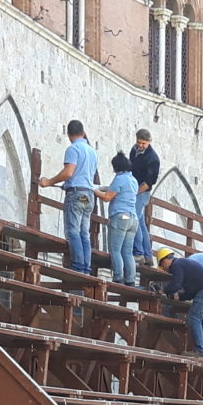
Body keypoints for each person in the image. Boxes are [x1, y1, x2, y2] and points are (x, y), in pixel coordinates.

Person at [39, 120, 97, 274]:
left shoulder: (73, 149)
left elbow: (68, 172)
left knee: (73, 231)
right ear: (83, 133)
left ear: (69, 135)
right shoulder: (92, 152)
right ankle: (86, 266)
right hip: (88, 195)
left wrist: (49, 181)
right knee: (84, 231)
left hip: (76, 193)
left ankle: (78, 265)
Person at [155, 247, 203, 360]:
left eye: (162, 265)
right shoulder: (184, 265)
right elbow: (192, 292)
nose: (164, 269)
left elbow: (176, 285)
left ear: (165, 260)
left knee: (194, 317)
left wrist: (163, 290)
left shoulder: (177, 264)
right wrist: (180, 297)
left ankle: (200, 351)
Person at [94, 152, 139, 286]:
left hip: (120, 217)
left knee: (115, 249)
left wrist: (94, 191)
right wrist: (103, 187)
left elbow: (107, 197)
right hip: (132, 218)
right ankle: (130, 279)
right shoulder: (133, 180)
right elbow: (117, 190)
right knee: (128, 251)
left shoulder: (119, 179)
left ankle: (118, 277)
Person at [130, 129, 160, 267]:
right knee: (141, 223)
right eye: (138, 142)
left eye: (143, 143)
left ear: (149, 142)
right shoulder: (133, 151)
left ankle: (139, 252)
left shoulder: (153, 158)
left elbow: (149, 182)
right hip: (135, 188)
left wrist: (134, 192)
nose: (140, 145)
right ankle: (147, 255)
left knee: (133, 217)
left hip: (142, 192)